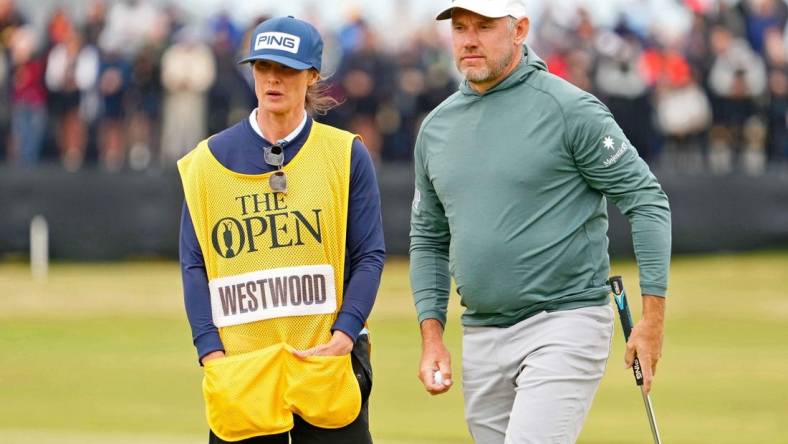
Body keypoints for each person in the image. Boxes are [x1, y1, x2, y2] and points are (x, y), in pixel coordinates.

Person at [409, 1, 672, 443]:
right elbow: (429, 238)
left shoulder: (571, 109)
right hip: (482, 331)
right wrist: (432, 335)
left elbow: (646, 199)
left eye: (485, 26)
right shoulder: (436, 128)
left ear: (520, 30)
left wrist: (653, 320)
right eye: (460, 28)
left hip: (565, 320)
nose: (469, 39)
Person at [177, 16, 384, 444]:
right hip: (242, 369)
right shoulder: (206, 161)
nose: (273, 79)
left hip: (326, 362)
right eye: (262, 67)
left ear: (311, 76)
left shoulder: (345, 154)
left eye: (287, 69)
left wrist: (345, 333)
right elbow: (194, 263)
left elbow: (369, 255)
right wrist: (209, 350)